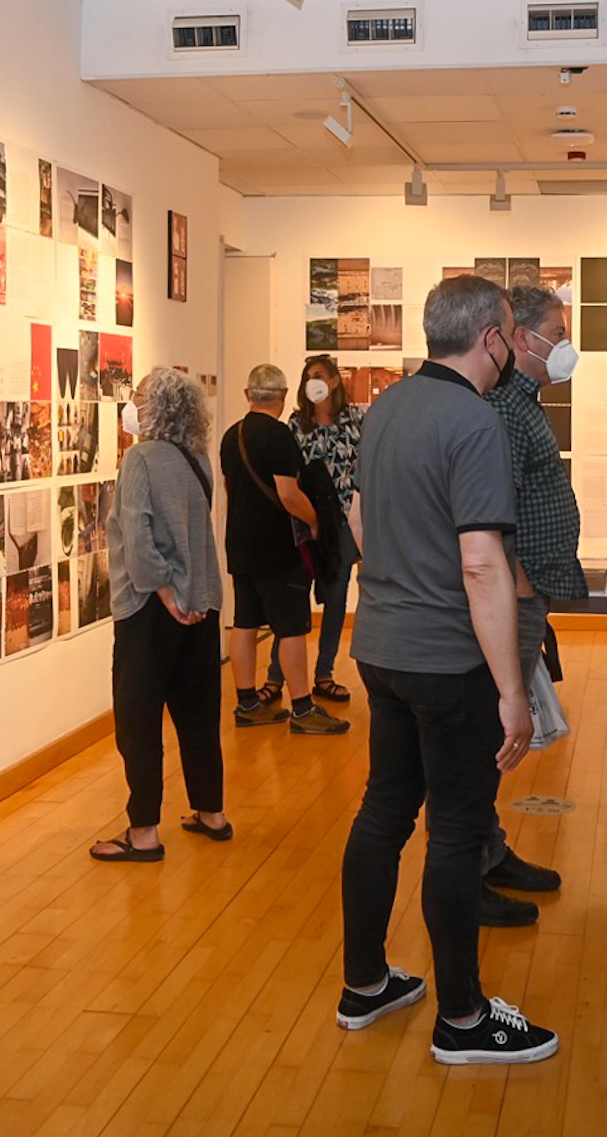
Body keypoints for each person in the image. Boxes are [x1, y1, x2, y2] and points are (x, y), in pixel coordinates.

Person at [337, 275, 559, 1065]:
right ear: (494, 338)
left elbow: (360, 516)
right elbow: (480, 561)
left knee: (385, 810)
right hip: (447, 658)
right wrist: (511, 691)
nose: (512, 349)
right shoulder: (473, 419)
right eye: (510, 334)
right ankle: (463, 1018)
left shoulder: (388, 406)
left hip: (380, 650)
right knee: (458, 831)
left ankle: (366, 983)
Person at [473, 284, 580, 927]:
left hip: (528, 588)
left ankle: (490, 850)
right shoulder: (506, 410)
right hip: (513, 592)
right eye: (556, 334)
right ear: (520, 339)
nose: (564, 347)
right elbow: (496, 510)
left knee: (496, 735)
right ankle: (475, 869)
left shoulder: (523, 400)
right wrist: (515, 592)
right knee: (491, 735)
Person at [89, 370, 228, 862]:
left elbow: (138, 537)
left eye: (140, 396)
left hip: (151, 607)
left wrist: (167, 594)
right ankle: (211, 811)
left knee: (138, 720)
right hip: (202, 605)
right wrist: (188, 597)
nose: (133, 403)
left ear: (159, 407)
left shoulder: (140, 459)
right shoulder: (197, 459)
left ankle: (144, 831)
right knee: (198, 712)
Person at [219, 363, 351, 736]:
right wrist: (315, 522)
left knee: (245, 622)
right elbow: (289, 494)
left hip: (240, 544)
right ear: (281, 396)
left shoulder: (233, 435)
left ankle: (246, 703)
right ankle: (303, 708)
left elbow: (231, 490)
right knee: (292, 627)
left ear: (248, 395)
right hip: (276, 547)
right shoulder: (278, 436)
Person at [266, 354, 363, 704]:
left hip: (344, 523)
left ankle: (324, 673)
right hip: (306, 521)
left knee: (336, 598)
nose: (313, 383)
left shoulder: (356, 420)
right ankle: (276, 676)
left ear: (335, 381)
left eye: (319, 376)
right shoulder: (296, 424)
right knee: (294, 598)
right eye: (307, 377)